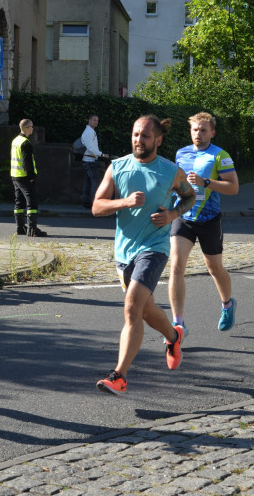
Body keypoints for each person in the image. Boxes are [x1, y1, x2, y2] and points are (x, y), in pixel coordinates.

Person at [92, 115, 197, 396]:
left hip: (155, 248)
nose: (139, 140)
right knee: (147, 310)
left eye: (145, 136)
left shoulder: (170, 171)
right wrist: (124, 202)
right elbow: (97, 206)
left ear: (158, 140)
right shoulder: (117, 168)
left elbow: (189, 196)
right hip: (124, 251)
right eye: (136, 134)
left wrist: (173, 214)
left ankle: (120, 376)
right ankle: (174, 337)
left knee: (132, 307)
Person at [167, 112, 240, 335]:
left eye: (203, 130)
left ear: (212, 132)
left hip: (209, 219)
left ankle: (227, 304)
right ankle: (178, 323)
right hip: (184, 217)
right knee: (176, 267)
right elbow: (175, 183)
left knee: (214, 268)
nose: (198, 134)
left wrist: (206, 182)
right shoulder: (181, 153)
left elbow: (233, 187)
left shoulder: (220, 156)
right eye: (195, 130)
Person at [10, 118, 46, 237]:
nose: (33, 129)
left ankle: (20, 228)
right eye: (31, 127)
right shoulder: (26, 143)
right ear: (27, 128)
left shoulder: (15, 141)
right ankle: (32, 229)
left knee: (19, 202)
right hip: (25, 177)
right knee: (32, 202)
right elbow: (27, 162)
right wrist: (31, 176)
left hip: (15, 175)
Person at [80, 114, 109, 209]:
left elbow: (92, 147)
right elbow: (91, 148)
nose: (96, 122)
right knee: (95, 181)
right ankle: (94, 203)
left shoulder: (90, 131)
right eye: (94, 120)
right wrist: (102, 154)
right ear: (89, 120)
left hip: (89, 160)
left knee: (88, 182)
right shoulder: (88, 132)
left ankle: (86, 202)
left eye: (97, 120)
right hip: (90, 160)